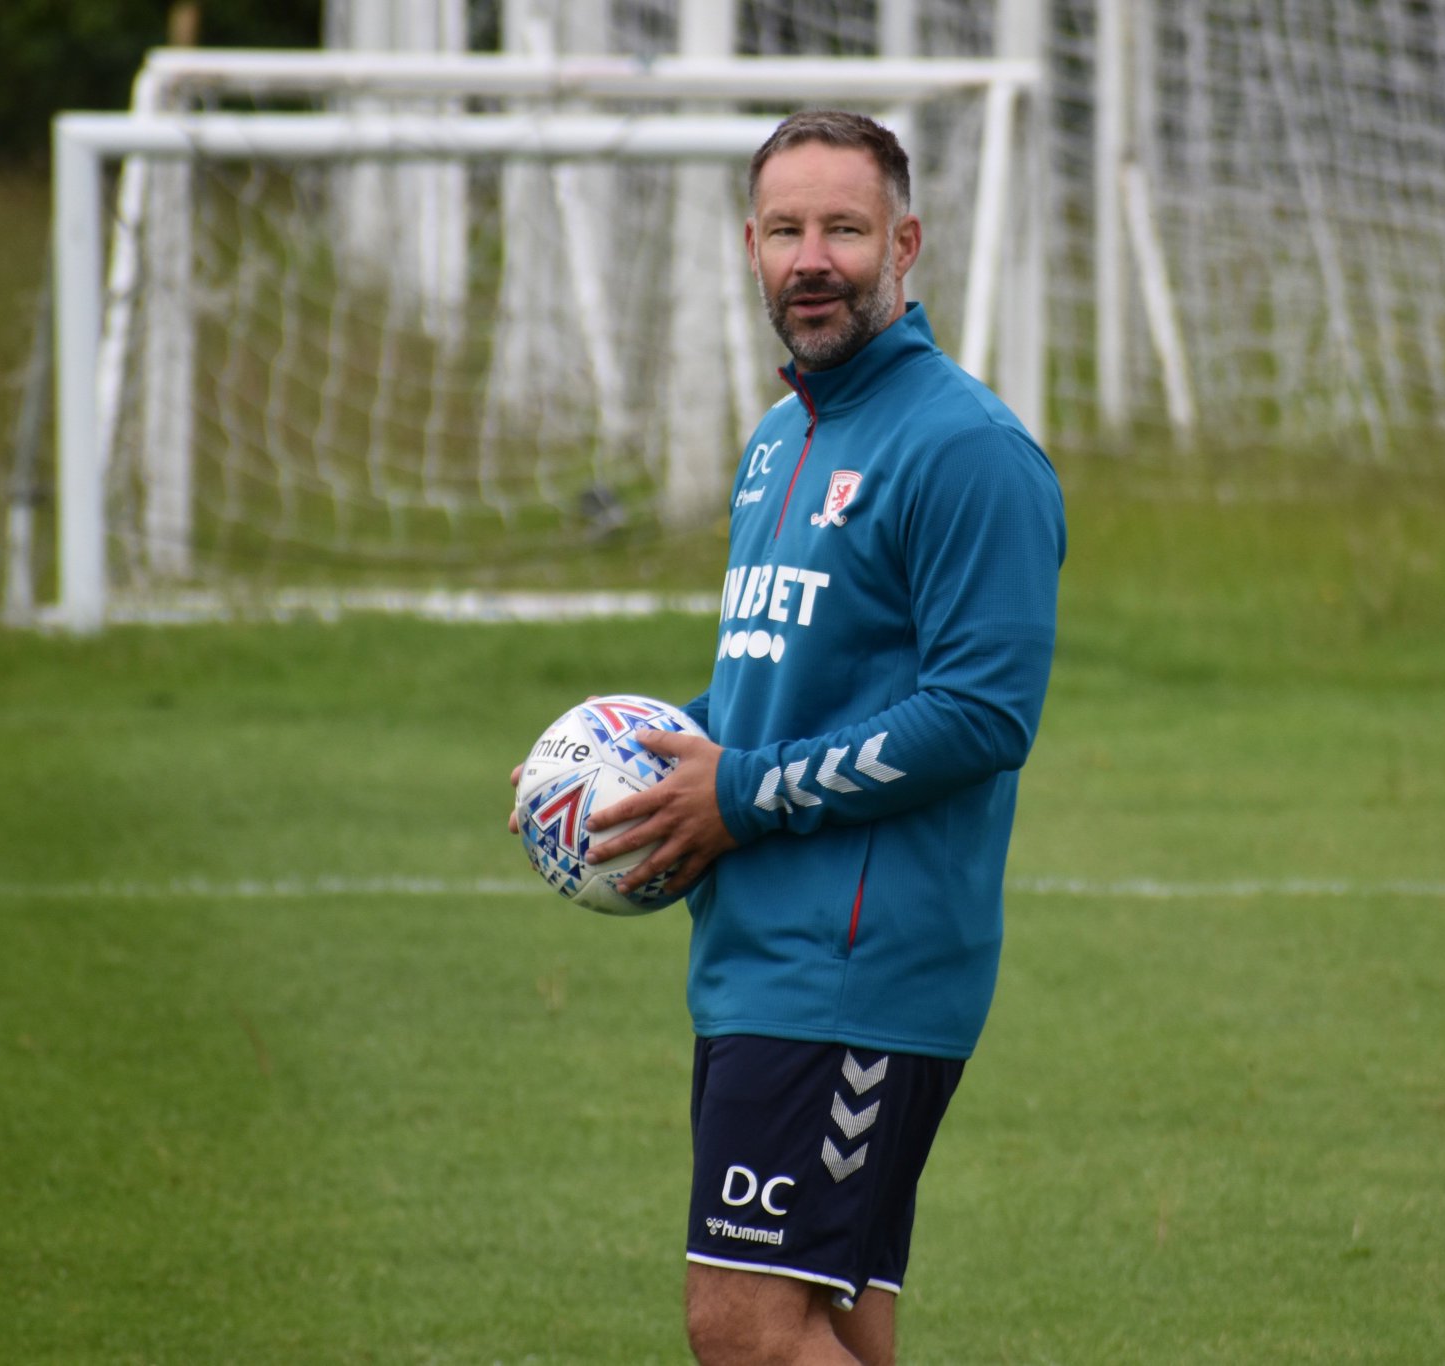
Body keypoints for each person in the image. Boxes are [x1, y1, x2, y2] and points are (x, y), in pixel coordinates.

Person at [535, 109, 1065, 1365]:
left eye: (842, 227)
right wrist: (597, 769)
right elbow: (764, 695)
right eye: (785, 230)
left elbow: (982, 713)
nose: (810, 257)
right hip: (759, 954)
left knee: (744, 1327)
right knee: (834, 1325)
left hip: (855, 968)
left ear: (905, 243)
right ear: (751, 247)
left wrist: (745, 795)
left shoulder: (967, 452)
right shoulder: (779, 441)